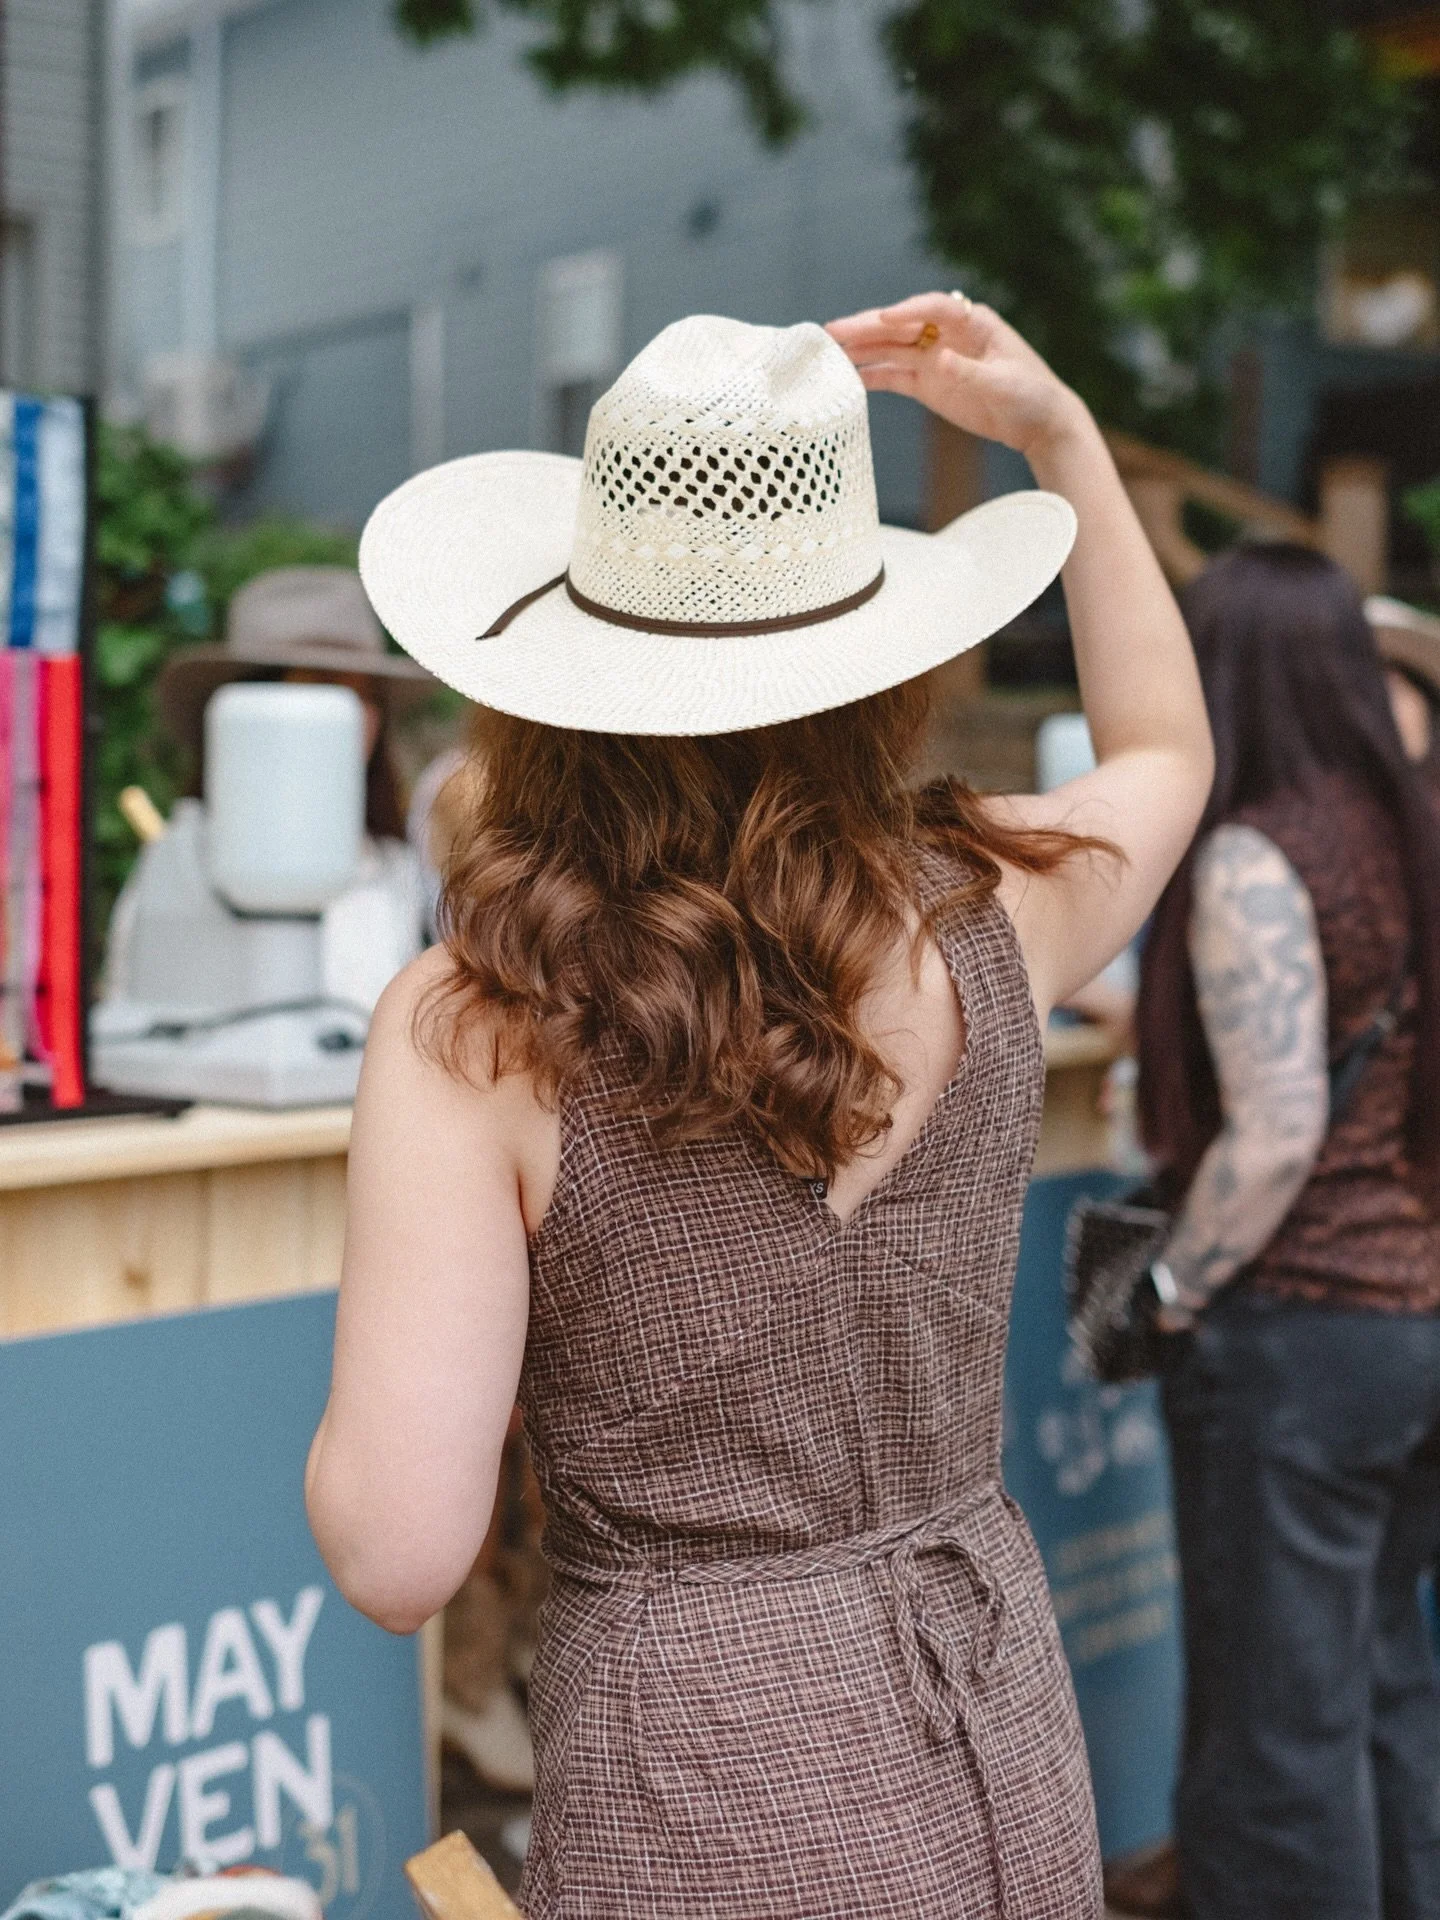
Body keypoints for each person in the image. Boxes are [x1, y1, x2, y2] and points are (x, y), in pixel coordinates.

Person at [305, 299, 1211, 1917]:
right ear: (874, 667)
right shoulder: (988, 911)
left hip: (698, 1769)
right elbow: (1162, 746)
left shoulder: (478, 1026)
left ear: (554, 673)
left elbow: (396, 1555)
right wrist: (1062, 438)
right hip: (989, 1710)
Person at [1136, 546, 1440, 1920]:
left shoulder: (1257, 849)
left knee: (1279, 1737)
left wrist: (1170, 1283)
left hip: (1305, 1336)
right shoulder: (1410, 825)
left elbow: (1273, 1133)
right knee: (1381, 1681)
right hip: (1412, 1322)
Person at [152, 565, 432, 1008]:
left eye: (367, 694)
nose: (352, 714)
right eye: (322, 687)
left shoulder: (394, 867)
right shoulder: (185, 859)